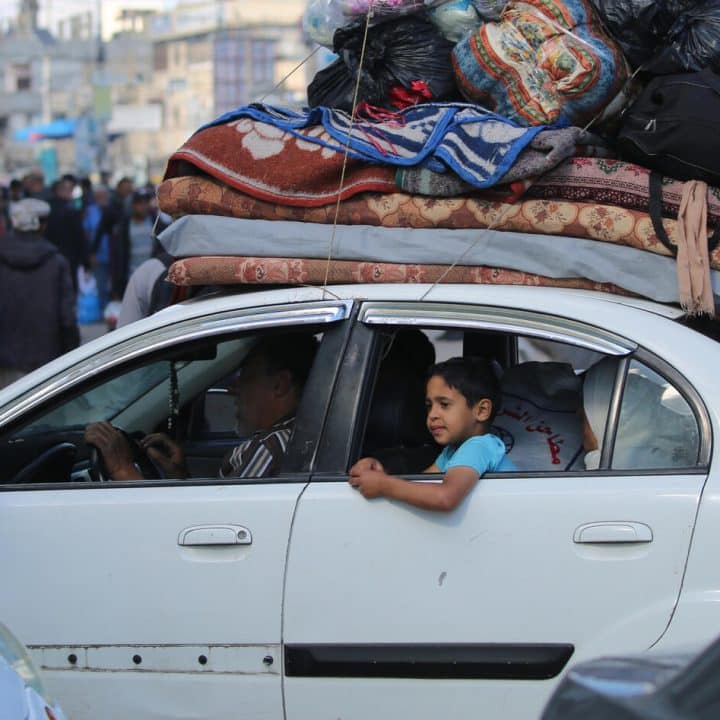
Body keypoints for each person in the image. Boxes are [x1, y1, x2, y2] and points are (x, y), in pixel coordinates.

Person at [84, 333, 319, 481]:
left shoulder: (270, 448)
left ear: (280, 384)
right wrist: (181, 476)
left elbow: (220, 529)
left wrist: (123, 470)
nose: (232, 389)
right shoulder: (289, 439)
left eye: (245, 377)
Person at [350, 356, 515, 511]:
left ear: (482, 410)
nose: (432, 415)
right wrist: (379, 471)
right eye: (429, 405)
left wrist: (383, 485)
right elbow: (422, 481)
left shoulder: (479, 446)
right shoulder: (453, 450)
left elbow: (445, 497)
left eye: (444, 404)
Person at [0, 198, 80, 388]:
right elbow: (67, 318)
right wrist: (72, 355)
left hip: (4, 361)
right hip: (47, 363)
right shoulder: (57, 262)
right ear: (42, 226)